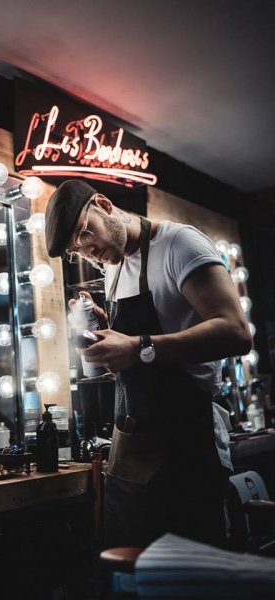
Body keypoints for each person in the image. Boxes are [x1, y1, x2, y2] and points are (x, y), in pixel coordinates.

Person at [45, 179, 252, 549]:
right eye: (78, 250)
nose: (89, 250)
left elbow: (236, 332)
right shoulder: (113, 268)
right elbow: (138, 347)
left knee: (191, 567)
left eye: (85, 233)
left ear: (103, 204)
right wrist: (105, 335)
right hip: (136, 449)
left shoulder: (178, 245)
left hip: (187, 444)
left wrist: (139, 347)